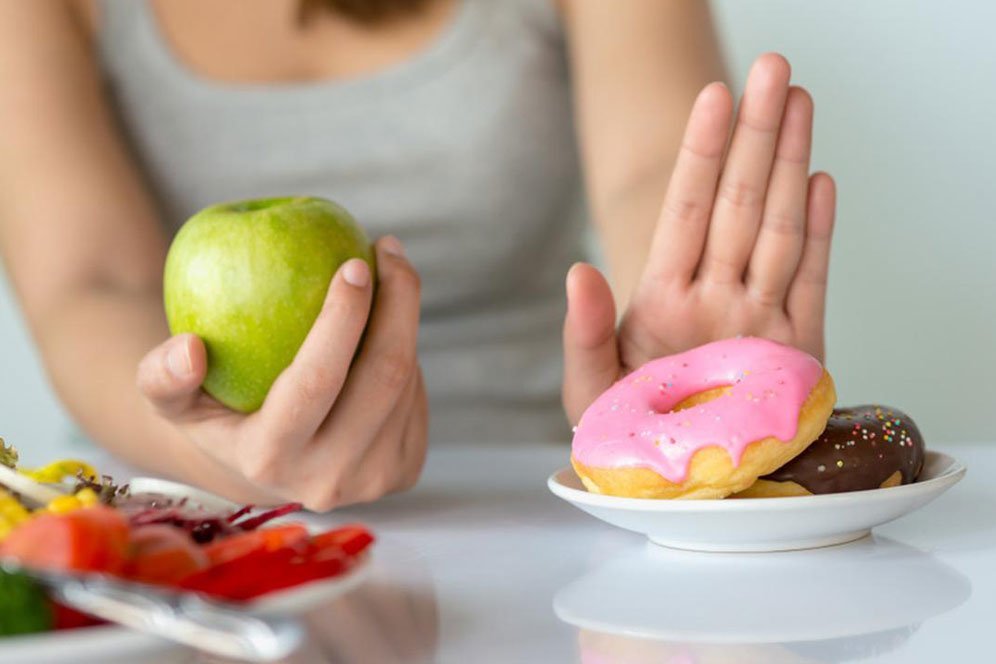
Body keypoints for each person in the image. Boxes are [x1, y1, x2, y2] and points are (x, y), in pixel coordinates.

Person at [0, 0, 833, 510]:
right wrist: (218, 459)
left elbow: (652, 168)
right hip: (187, 530)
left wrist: (686, 338)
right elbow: (91, 280)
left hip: (535, 518)